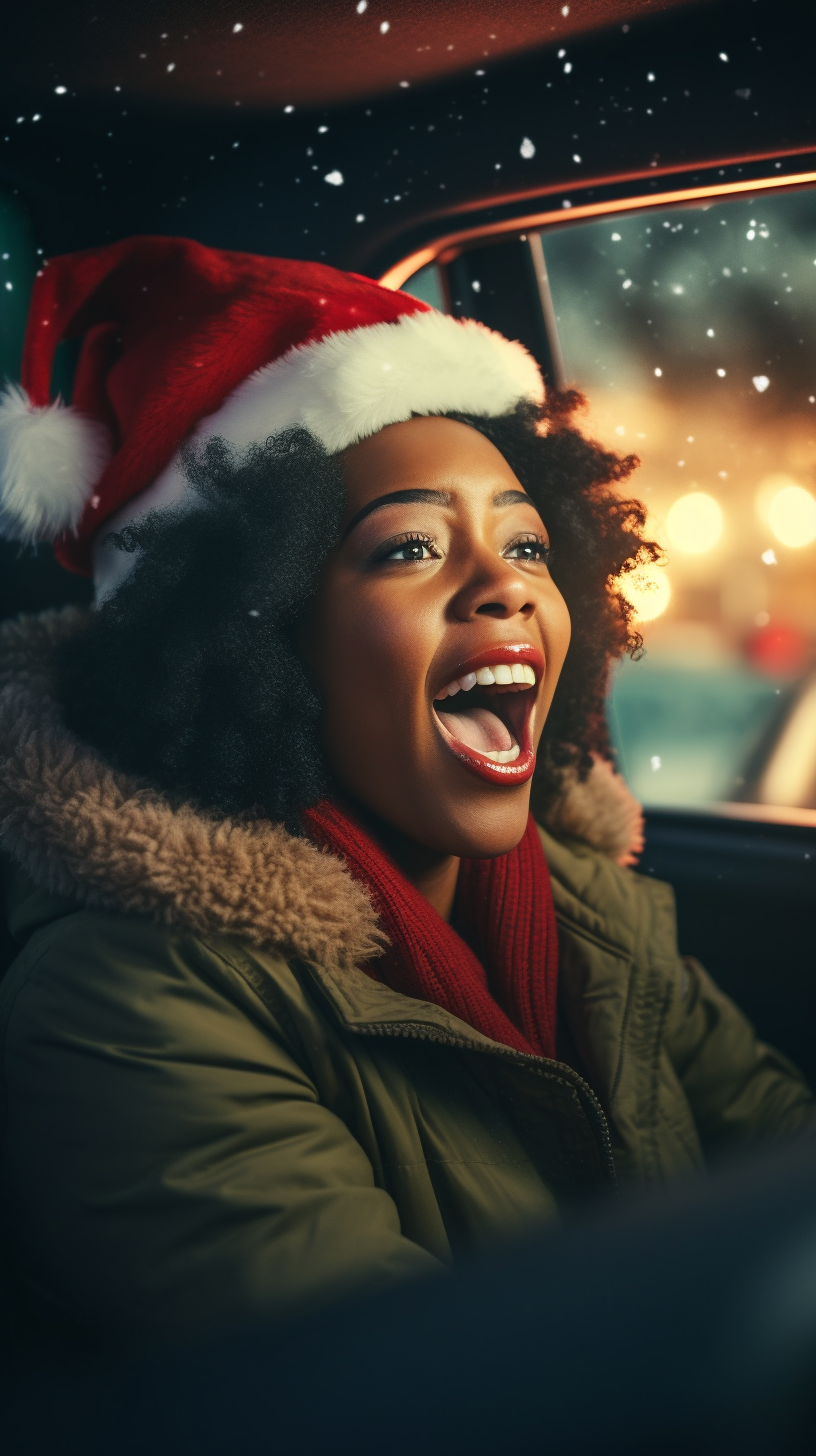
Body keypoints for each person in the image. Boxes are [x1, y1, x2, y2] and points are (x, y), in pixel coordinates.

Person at [0, 237, 812, 1348]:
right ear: (253, 634)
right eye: (411, 548)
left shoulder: (587, 902)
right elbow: (422, 1394)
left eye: (530, 543)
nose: (507, 589)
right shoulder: (122, 1013)